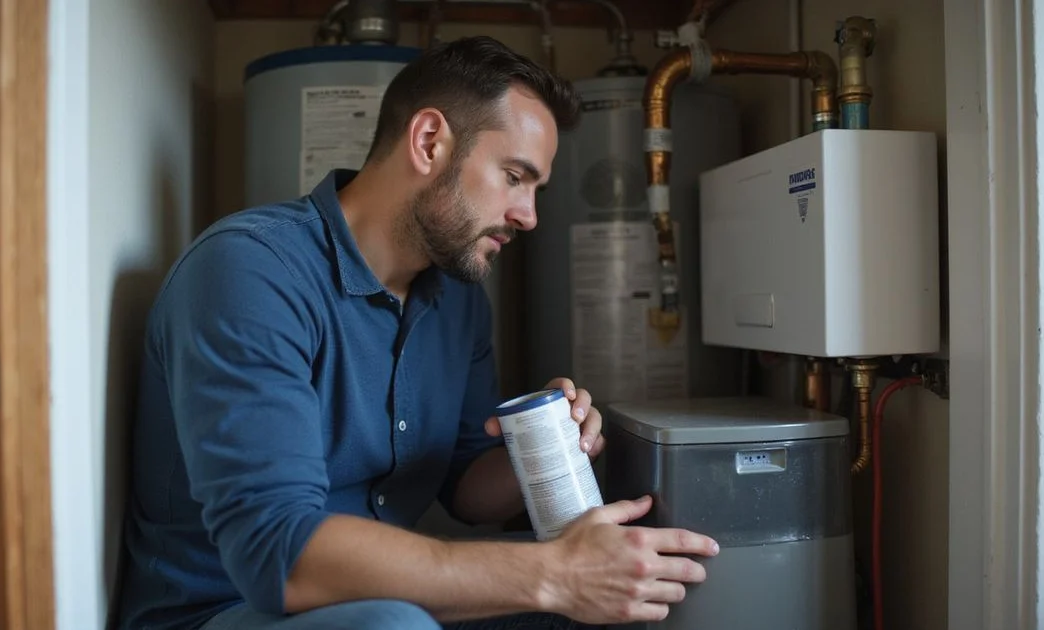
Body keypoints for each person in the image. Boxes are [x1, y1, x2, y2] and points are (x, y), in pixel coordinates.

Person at [113, 35, 720, 630]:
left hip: (389, 600)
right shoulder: (251, 271)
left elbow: (465, 489)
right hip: (230, 609)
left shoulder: (458, 297)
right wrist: (555, 574)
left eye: (537, 189)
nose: (529, 215)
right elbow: (280, 555)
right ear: (429, 141)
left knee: (633, 597)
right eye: (515, 176)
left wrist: (543, 447)